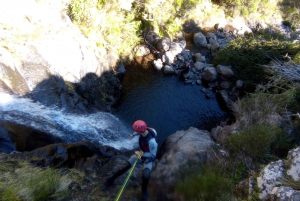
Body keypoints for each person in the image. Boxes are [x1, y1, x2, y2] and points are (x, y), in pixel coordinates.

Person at [102, 120, 158, 201]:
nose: (135, 131)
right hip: (141, 153)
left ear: (140, 131)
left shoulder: (152, 142)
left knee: (146, 176)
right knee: (124, 167)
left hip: (148, 157)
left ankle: (144, 191)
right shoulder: (144, 130)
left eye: (136, 130)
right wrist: (133, 134)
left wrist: (141, 155)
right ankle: (110, 180)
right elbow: (137, 132)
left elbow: (153, 155)